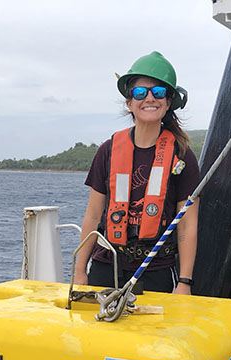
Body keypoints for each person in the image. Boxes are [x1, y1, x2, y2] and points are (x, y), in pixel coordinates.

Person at [74, 51, 200, 294]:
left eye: (159, 92)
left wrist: (185, 282)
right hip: (105, 265)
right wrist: (80, 270)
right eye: (140, 92)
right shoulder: (107, 151)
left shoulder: (182, 156)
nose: (149, 98)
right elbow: (92, 215)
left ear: (169, 102)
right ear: (129, 102)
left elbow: (187, 225)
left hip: (156, 271)